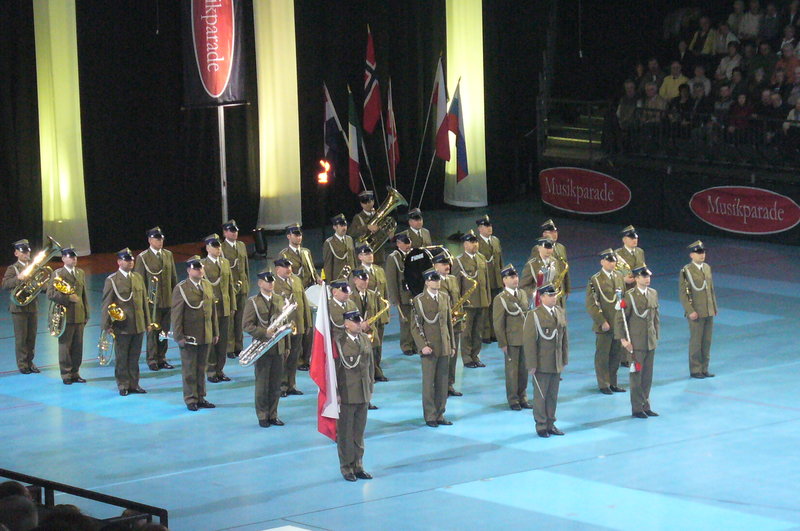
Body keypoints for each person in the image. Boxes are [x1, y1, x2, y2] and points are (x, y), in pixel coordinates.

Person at [171, 256, 218, 411]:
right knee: (190, 369)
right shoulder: (181, 288)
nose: (199, 270)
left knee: (201, 367)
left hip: (206, 333)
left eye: (201, 268)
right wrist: (179, 336)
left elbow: (213, 312)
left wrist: (215, 331)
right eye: (196, 268)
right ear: (188, 270)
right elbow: (177, 314)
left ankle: (201, 397)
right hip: (190, 335)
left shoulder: (207, 285)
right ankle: (190, 398)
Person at [411, 268, 456, 427]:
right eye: (433, 279)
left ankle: (440, 414)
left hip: (444, 346)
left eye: (438, 279)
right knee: (429, 384)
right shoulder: (419, 300)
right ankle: (430, 416)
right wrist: (422, 346)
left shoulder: (444, 297)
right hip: (429, 347)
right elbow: (415, 326)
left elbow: (449, 323)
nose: (436, 282)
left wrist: (452, 345)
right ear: (427, 282)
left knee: (443, 383)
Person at [242, 270, 287, 427]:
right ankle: (262, 415)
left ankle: (273, 414)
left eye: (272, 281)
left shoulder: (279, 299)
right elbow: (247, 325)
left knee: (275, 385)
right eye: (267, 281)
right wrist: (263, 333)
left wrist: (285, 346)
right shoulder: (253, 302)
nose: (271, 283)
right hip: (261, 348)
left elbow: (283, 325)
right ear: (260, 283)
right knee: (262, 384)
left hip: (278, 348)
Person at [101, 248, 149, 396]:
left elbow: (144, 302)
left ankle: (134, 384)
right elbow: (107, 303)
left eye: (132, 260)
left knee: (134, 357)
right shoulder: (112, 280)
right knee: (122, 357)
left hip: (138, 324)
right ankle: (123, 384)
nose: (130, 262)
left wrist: (147, 321)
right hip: (122, 325)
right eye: (127, 260)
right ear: (119, 262)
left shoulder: (137, 278)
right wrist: (106, 325)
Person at [523, 284, 568, 438]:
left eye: (554, 295)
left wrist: (564, 358)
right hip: (542, 362)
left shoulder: (560, 312)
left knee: (552, 395)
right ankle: (541, 425)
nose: (553, 297)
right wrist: (532, 364)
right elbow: (529, 342)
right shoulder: (534, 315)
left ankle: (551, 423)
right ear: (541, 297)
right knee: (541, 396)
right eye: (550, 295)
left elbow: (563, 338)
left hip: (555, 361)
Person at [335, 310, 374, 482]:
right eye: (355, 322)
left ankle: (358, 465)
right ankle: (346, 467)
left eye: (360, 321)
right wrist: (335, 393)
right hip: (347, 394)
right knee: (345, 433)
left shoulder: (365, 339)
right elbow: (333, 370)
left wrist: (370, 387)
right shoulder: (338, 342)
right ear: (346, 324)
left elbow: (370, 366)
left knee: (359, 432)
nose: (359, 324)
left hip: (363, 392)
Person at [616, 266, 660, 419]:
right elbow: (621, 319)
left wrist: (656, 336)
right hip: (636, 342)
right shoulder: (629, 296)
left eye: (648, 276)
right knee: (636, 377)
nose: (647, 279)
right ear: (635, 279)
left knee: (647, 376)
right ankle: (637, 408)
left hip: (650, 341)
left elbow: (655, 318)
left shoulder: (653, 293)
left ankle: (645, 405)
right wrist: (623, 340)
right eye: (643, 276)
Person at [134, 226, 177, 371]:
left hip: (167, 300)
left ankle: (162, 358)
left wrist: (175, 297)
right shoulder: (143, 258)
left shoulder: (168, 255)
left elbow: (173, 278)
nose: (160, 241)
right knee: (152, 331)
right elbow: (139, 282)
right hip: (151, 303)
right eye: (157, 239)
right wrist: (142, 303)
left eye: (161, 239)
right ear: (150, 240)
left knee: (164, 331)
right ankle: (152, 359)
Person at [278, 223, 320, 371]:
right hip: (294, 294)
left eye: (300, 234)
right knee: (297, 327)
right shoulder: (284, 254)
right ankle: (297, 360)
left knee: (308, 327)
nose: (298, 237)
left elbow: (312, 269)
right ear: (288, 236)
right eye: (295, 234)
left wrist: (318, 278)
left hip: (307, 291)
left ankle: (306, 358)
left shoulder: (306, 252)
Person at [585, 249, 627, 395]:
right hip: (604, 324)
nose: (612, 263)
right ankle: (603, 383)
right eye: (609, 260)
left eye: (613, 260)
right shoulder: (595, 279)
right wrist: (601, 321)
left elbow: (623, 299)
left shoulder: (619, 276)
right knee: (603, 355)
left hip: (617, 323)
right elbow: (592, 304)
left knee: (616, 355)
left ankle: (613, 382)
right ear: (602, 262)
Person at [47, 246, 90, 385]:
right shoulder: (58, 273)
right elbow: (51, 294)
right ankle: (66, 374)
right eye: (71, 257)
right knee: (65, 345)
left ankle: (75, 372)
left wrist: (87, 313)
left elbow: (84, 295)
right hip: (65, 315)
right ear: (63, 258)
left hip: (79, 314)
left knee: (78, 345)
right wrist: (67, 298)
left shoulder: (80, 273)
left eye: (75, 257)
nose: (74, 259)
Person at [493, 264, 531, 410]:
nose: (515, 279)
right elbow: (498, 323)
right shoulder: (501, 299)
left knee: (523, 370)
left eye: (516, 276)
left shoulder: (522, 294)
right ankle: (513, 399)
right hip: (511, 340)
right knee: (512, 372)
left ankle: (523, 397)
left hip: (524, 338)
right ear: (504, 280)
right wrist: (503, 342)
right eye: (511, 277)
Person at [679, 241, 718, 379]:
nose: (702, 255)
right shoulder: (686, 271)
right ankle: (695, 369)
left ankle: (704, 368)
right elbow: (683, 294)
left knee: (706, 341)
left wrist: (714, 306)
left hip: (708, 310)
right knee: (696, 341)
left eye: (703, 252)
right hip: (696, 312)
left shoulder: (707, 268)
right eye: (699, 253)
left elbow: (710, 289)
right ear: (691, 255)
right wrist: (690, 311)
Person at [451, 230, 491, 368]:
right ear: (465, 244)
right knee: (467, 332)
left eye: (476, 242)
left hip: (481, 300)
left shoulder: (481, 259)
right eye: (471, 242)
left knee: (478, 331)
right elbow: (456, 285)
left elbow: (486, 281)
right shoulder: (459, 261)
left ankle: (475, 355)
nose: (475, 245)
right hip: (468, 303)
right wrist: (458, 304)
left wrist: (488, 298)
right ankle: (467, 358)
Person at [201, 234, 236, 383]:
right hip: (211, 308)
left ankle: (220, 369)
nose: (218, 248)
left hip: (225, 306)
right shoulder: (202, 265)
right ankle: (210, 370)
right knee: (211, 339)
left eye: (219, 246)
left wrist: (233, 304)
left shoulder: (225, 263)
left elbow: (230, 286)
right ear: (208, 248)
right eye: (215, 246)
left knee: (223, 341)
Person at [273, 257, 310, 396]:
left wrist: (307, 323)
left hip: (298, 324)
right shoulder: (274, 283)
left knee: (294, 356)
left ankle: (291, 385)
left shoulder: (296, 280)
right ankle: (281, 386)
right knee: (283, 356)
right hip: (284, 327)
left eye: (289, 266)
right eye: (285, 267)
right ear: (277, 269)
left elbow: (304, 302)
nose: (289, 269)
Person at [2, 239, 40, 374]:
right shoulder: (13, 269)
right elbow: (5, 284)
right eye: (23, 252)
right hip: (18, 308)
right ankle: (22, 364)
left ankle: (30, 362)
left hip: (32, 306)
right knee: (21, 338)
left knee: (31, 337)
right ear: (16, 253)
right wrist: (19, 278)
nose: (26, 254)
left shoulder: (35, 267)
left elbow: (42, 283)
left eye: (27, 251)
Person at [354, 244, 389, 380]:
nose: (370, 256)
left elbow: (384, 292)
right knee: (366, 344)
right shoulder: (357, 273)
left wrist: (385, 313)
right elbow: (355, 296)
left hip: (379, 311)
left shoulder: (379, 270)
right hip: (366, 315)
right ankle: (368, 371)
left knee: (378, 343)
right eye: (366, 254)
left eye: (371, 253)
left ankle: (377, 370)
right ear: (360, 257)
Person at [350, 269, 385, 393]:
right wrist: (360, 324)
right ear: (355, 280)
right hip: (356, 330)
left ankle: (376, 372)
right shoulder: (350, 297)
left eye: (366, 279)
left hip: (370, 328)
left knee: (375, 351)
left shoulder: (372, 294)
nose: (365, 282)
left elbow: (376, 311)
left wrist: (371, 324)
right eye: (362, 279)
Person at [433, 252, 462, 396]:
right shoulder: (433, 282)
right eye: (443, 264)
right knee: (442, 357)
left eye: (448, 264)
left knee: (453, 355)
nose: (447, 266)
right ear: (435, 266)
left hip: (455, 324)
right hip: (442, 325)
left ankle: (450, 384)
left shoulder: (452, 279)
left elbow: (457, 300)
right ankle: (439, 385)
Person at [220, 219, 249, 360]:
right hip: (230, 288)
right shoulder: (221, 248)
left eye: (236, 230)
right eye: (231, 231)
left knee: (240, 318)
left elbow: (245, 267)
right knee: (230, 319)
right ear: (225, 232)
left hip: (241, 287)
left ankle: (239, 346)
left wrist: (246, 284)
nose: (235, 233)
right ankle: (229, 347)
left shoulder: (242, 245)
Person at [385, 231, 415, 355]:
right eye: (405, 242)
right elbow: (391, 280)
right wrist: (394, 299)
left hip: (415, 293)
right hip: (403, 295)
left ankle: (415, 344)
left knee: (416, 321)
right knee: (406, 322)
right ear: (398, 243)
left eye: (409, 242)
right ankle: (406, 345)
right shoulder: (394, 258)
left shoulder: (414, 254)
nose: (408, 245)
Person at [476, 215, 503, 343]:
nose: (489, 228)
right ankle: (486, 334)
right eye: (486, 226)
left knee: (496, 309)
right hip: (485, 281)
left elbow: (500, 261)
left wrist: (503, 278)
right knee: (486, 309)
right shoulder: (476, 243)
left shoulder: (495, 240)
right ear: (479, 228)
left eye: (490, 225)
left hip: (497, 280)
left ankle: (495, 333)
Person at [520, 237, 567, 309]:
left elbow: (557, 280)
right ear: (539, 248)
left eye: (550, 248)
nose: (548, 251)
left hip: (553, 302)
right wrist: (535, 294)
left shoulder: (554, 262)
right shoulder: (532, 265)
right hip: (538, 303)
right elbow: (523, 286)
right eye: (546, 248)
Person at [348, 190, 392, 265]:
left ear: (373, 201)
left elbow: (385, 231)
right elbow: (351, 232)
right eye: (365, 202)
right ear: (361, 204)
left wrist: (389, 233)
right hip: (365, 256)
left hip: (379, 255)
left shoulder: (380, 215)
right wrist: (367, 227)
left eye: (370, 201)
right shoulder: (358, 217)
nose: (368, 204)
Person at [323, 214, 356, 281]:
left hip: (351, 278)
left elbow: (354, 259)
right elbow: (328, 266)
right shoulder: (329, 242)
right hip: (339, 279)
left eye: (345, 225)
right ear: (335, 227)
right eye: (341, 226)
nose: (344, 228)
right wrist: (330, 284)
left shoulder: (349, 239)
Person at [615, 225, 647, 290]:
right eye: (631, 238)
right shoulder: (617, 254)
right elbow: (612, 274)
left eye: (635, 238)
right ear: (624, 240)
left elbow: (642, 268)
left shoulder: (640, 251)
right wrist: (623, 280)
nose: (635, 240)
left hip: (638, 287)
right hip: (624, 289)